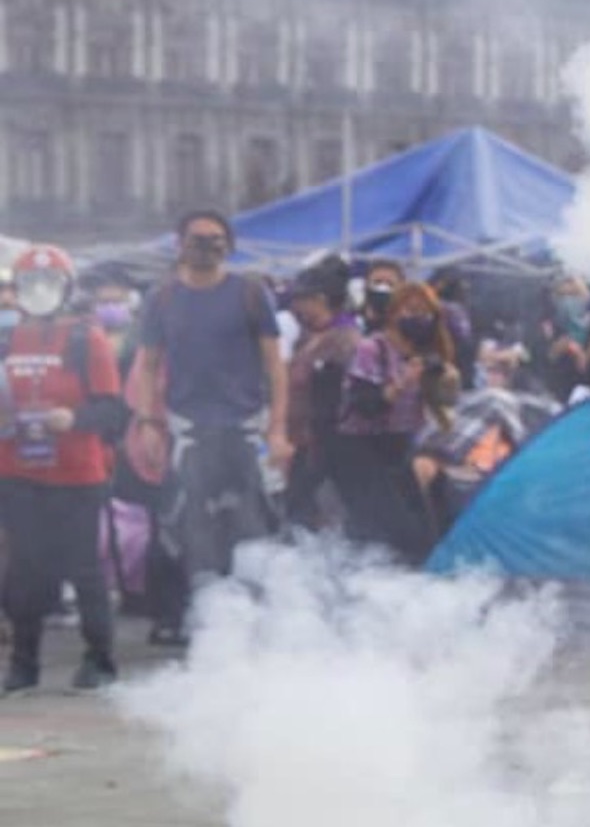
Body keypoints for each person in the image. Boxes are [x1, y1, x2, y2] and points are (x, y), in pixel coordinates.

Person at [129, 211, 290, 646]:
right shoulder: (162, 299)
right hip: (188, 430)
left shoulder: (250, 294)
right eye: (198, 239)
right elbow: (148, 366)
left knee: (255, 528)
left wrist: (277, 430)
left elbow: (275, 367)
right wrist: (148, 421)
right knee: (188, 530)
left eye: (217, 238)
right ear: (180, 244)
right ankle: (201, 626)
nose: (208, 246)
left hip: (245, 429)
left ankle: (258, 627)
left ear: (230, 244)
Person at [0, 245, 129, 691]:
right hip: (19, 471)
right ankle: (23, 663)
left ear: (66, 289)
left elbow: (113, 410)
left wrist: (73, 419)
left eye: (48, 284)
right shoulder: (6, 339)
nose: (38, 293)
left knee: (84, 569)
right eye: (29, 285)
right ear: (16, 292)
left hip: (76, 473)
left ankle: (100, 658)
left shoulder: (84, 339)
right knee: (24, 572)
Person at [333, 282, 460, 566]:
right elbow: (364, 405)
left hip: (400, 446)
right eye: (412, 311)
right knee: (384, 532)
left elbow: (442, 410)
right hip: (362, 449)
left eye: (426, 313)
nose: (419, 319)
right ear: (394, 312)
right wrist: (403, 382)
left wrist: (444, 384)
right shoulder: (372, 349)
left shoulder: (422, 352)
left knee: (420, 533)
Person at [282, 257, 360, 532]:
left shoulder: (343, 341)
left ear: (320, 299)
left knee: (318, 514)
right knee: (298, 511)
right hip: (302, 442)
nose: (295, 306)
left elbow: (338, 400)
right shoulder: (308, 337)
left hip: (326, 446)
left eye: (301, 299)